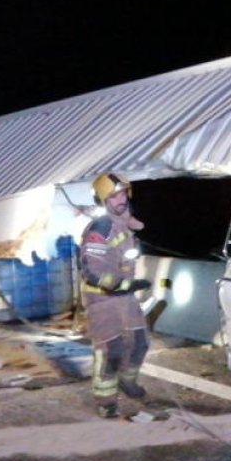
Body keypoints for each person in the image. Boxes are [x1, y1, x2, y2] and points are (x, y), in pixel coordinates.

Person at [79, 172, 152, 418]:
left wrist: (129, 285)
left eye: (123, 193)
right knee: (111, 351)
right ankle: (106, 401)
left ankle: (127, 381)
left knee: (139, 342)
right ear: (103, 200)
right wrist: (125, 285)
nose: (121, 199)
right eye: (114, 195)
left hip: (124, 296)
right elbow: (92, 270)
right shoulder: (101, 227)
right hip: (102, 299)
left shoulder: (123, 223)